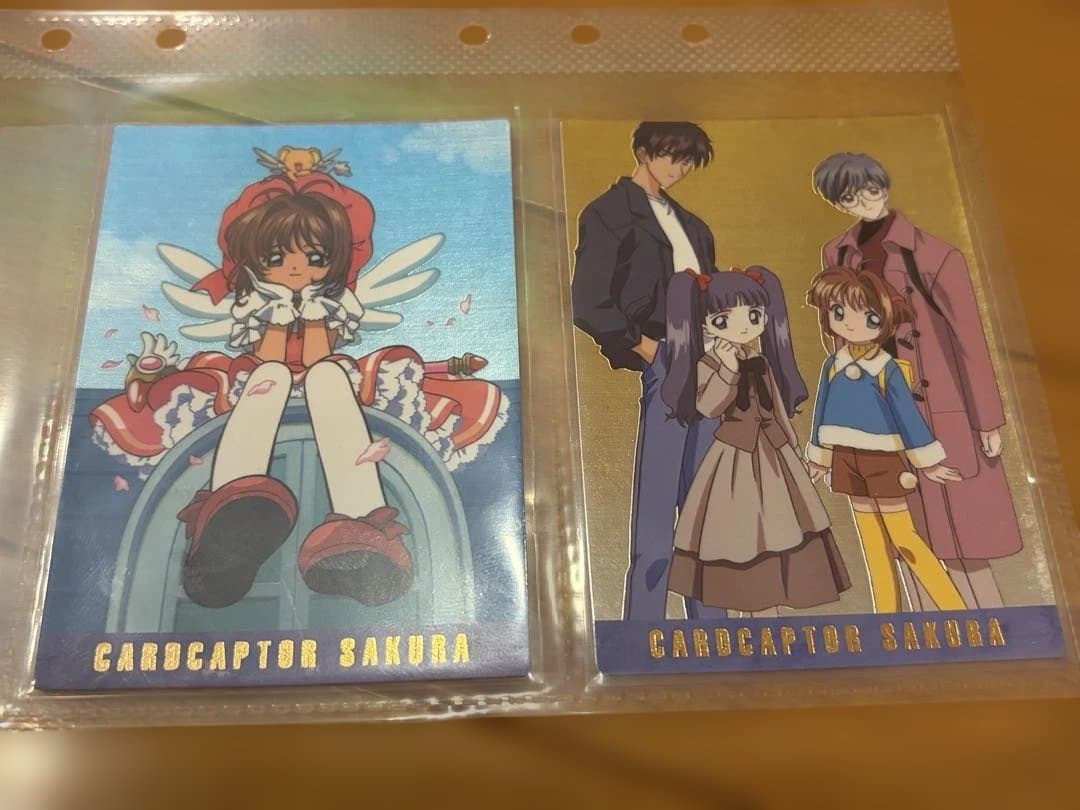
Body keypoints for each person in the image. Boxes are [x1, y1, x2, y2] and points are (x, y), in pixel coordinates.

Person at [812, 152, 1021, 609]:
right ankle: (928, 633)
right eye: (849, 197)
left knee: (961, 537)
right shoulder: (836, 253)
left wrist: (987, 419)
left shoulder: (936, 256)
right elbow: (838, 338)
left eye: (871, 189)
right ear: (838, 203)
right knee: (902, 533)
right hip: (876, 416)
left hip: (939, 408)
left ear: (884, 185)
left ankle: (996, 629)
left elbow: (970, 340)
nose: (864, 201)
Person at [571, 121, 726, 620]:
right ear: (642, 151)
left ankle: (712, 625)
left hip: (711, 360)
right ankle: (644, 628)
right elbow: (588, 301)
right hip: (664, 358)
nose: (679, 168)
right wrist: (643, 347)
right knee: (658, 504)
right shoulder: (609, 213)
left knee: (705, 501)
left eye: (688, 161)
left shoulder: (694, 226)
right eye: (671, 156)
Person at [663, 268, 848, 615]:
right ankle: (749, 618)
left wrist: (795, 449)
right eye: (724, 319)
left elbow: (776, 408)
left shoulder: (760, 361)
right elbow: (709, 406)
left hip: (776, 455)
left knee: (785, 532)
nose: (745, 327)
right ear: (705, 323)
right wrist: (728, 369)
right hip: (734, 461)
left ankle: (769, 616)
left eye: (753, 316)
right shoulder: (709, 363)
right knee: (743, 540)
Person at [805, 265, 967, 613]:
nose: (851, 324)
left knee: (904, 539)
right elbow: (821, 413)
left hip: (883, 460)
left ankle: (955, 609)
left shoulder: (887, 368)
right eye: (839, 313)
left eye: (868, 317)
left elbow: (908, 417)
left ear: (885, 321)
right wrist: (819, 458)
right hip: (846, 459)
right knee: (873, 546)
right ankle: (886, 617)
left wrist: (928, 463)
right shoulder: (832, 365)